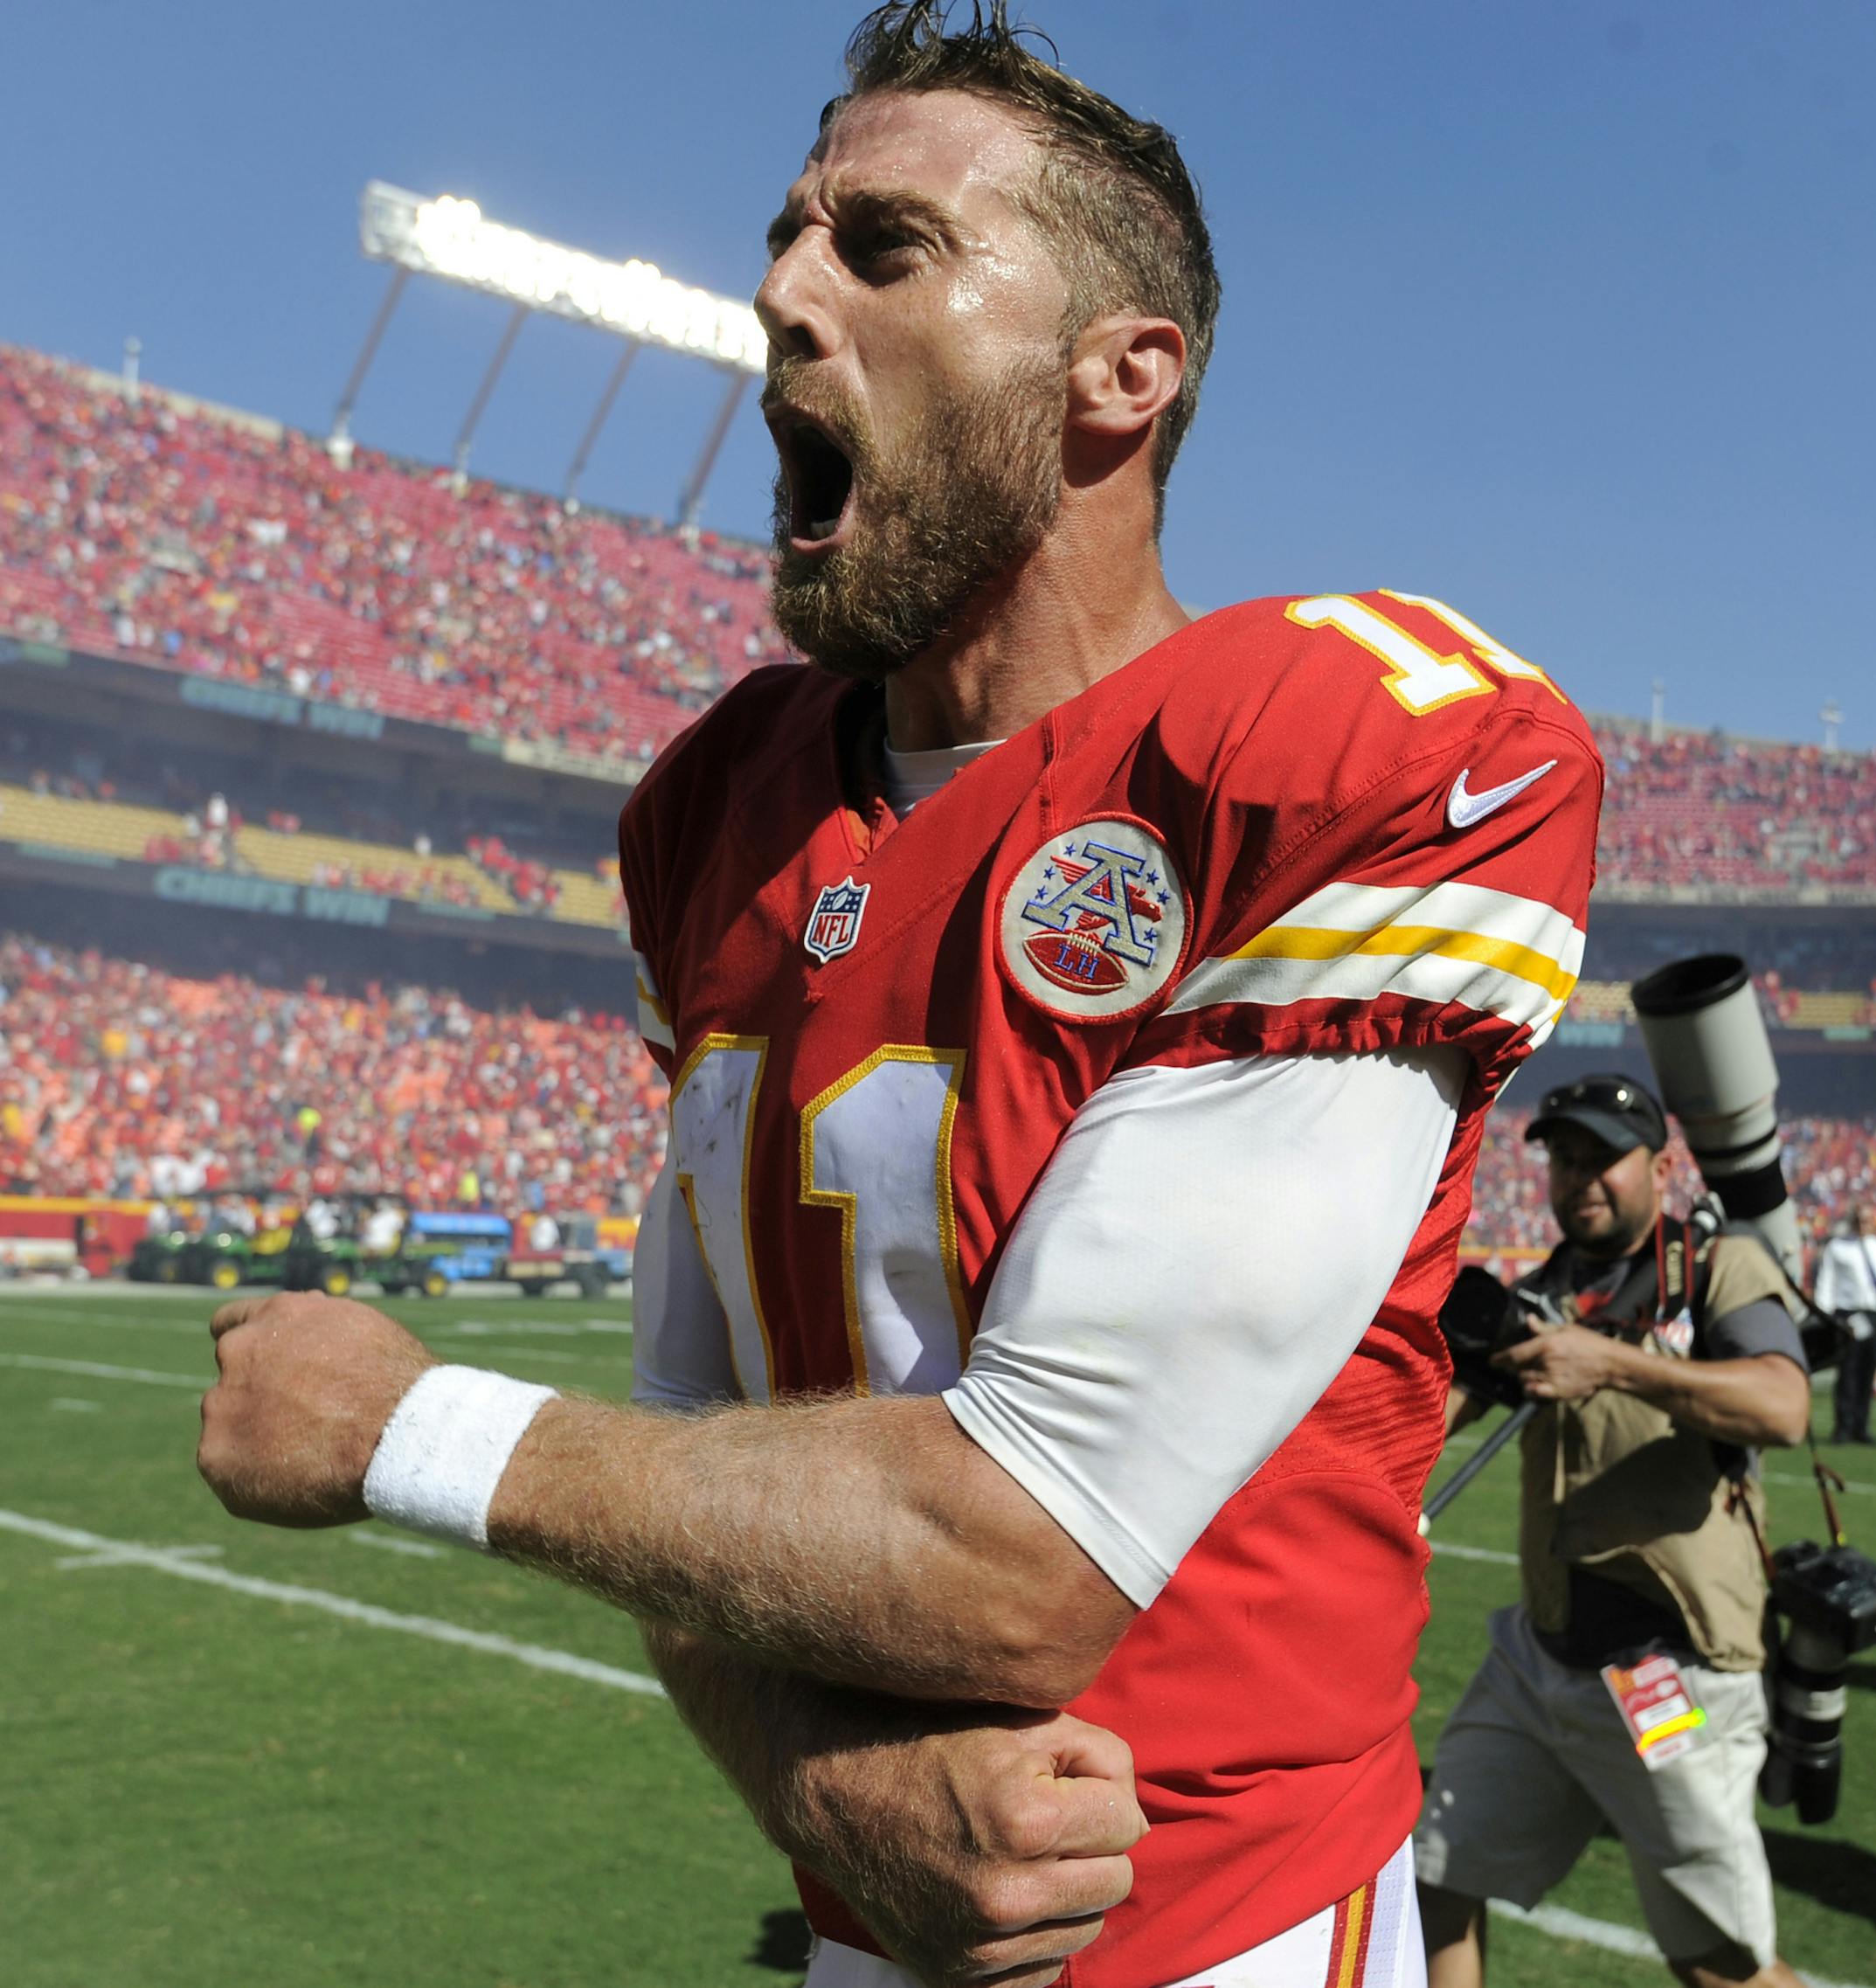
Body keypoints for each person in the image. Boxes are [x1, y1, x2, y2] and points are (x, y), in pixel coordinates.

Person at [197, 7, 1603, 1984]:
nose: (776, 290)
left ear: (1120, 376)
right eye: (783, 235)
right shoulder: (714, 814)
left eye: (881, 247)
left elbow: (1015, 1551)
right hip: (877, 1937)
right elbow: (684, 1474)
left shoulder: (1334, 752)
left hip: (1231, 1942)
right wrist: (819, 1792)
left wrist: (404, 1429)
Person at [1415, 1073, 1812, 1988]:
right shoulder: (1549, 1286)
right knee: (1434, 1880)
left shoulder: (1720, 1268)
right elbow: (1439, 1416)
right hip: (1537, 1655)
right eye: (1565, 1157)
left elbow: (1784, 1406)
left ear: (1663, 1165)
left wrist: (1616, 1364)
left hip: (1668, 1667)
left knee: (1720, 1967)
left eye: (1605, 1157)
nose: (1581, 1178)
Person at [1813, 1207, 1876, 1444]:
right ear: (1853, 1221)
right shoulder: (1838, 1247)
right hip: (1848, 1316)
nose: (1863, 1224)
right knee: (1848, 1371)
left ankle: (1861, 1427)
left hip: (1874, 1315)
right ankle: (1843, 1427)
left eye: (1867, 1219)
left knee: (1868, 1371)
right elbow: (1827, 1282)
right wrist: (1825, 1317)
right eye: (1859, 1219)